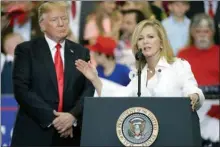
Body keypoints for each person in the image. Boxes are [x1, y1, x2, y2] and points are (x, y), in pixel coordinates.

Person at [11, 2, 94, 146]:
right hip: (34, 134)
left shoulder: (81, 52)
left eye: (64, 18)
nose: (61, 23)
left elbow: (88, 88)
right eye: (55, 20)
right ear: (42, 25)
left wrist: (72, 116)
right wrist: (54, 119)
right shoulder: (26, 51)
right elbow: (22, 90)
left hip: (70, 135)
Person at [75, 19, 205, 111]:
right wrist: (95, 79)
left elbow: (192, 89)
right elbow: (120, 96)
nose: (145, 41)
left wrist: (194, 97)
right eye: (140, 38)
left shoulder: (178, 65)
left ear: (161, 42)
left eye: (150, 37)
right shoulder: (139, 74)